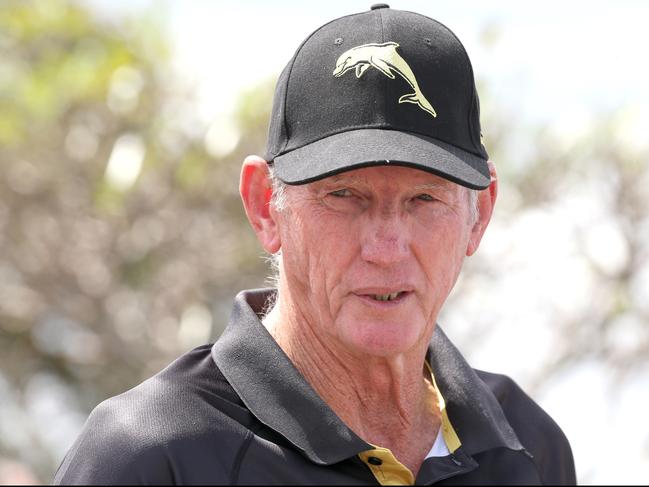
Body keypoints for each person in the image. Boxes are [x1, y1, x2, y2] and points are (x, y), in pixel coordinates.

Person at [54, 5, 576, 485]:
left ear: (478, 215)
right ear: (265, 206)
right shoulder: (150, 457)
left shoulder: (530, 446)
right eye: (344, 195)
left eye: (423, 198)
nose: (387, 248)